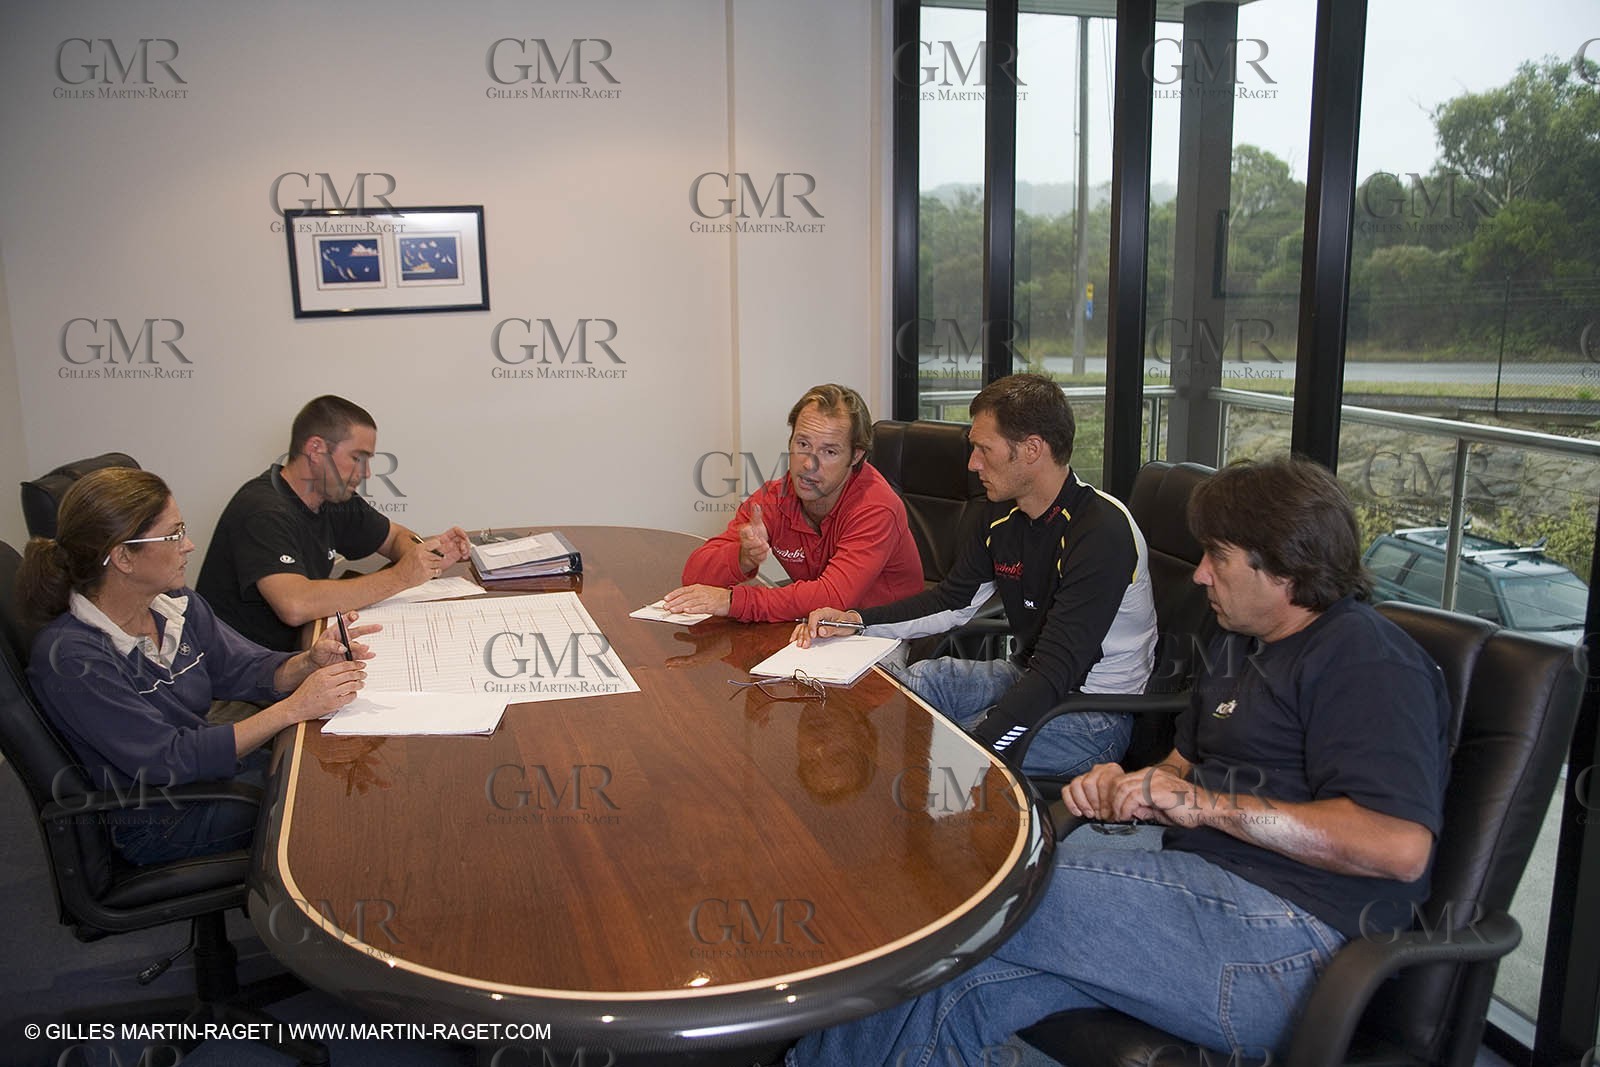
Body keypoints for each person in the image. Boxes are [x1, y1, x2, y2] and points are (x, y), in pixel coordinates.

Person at [786, 457, 1452, 1064]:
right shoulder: (1239, 642)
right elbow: (1183, 768)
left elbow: (1398, 848)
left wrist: (1205, 806)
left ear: (1284, 566)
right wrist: (1136, 784)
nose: (1197, 575)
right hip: (1193, 884)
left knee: (974, 896)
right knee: (963, 985)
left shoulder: (1367, 658)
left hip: (1289, 948)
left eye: (1217, 558)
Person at [797, 373, 1156, 778]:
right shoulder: (1002, 514)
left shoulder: (1101, 532)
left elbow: (1055, 675)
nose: (972, 463)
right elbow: (951, 601)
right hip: (1025, 675)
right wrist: (859, 622)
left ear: (1032, 449)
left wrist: (975, 750)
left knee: (944, 754)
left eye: (984, 449)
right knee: (901, 688)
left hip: (1091, 715)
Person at [18, 467, 373, 865]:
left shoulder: (175, 607)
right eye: (173, 534)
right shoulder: (73, 657)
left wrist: (306, 663)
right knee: (329, 797)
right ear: (123, 557)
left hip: (207, 779)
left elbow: (243, 669)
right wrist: (292, 709)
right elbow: (166, 759)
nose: (189, 544)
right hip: (159, 819)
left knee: (338, 767)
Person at [197, 395, 472, 651]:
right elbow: (295, 604)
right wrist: (402, 576)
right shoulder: (262, 511)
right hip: (244, 678)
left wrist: (427, 555)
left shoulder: (332, 497)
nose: (365, 473)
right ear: (316, 449)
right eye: (357, 458)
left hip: (300, 650)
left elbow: (394, 537)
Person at [663, 383, 924, 623]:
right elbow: (694, 578)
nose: (809, 464)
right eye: (803, 444)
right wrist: (742, 557)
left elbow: (834, 596)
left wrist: (732, 601)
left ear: (856, 456)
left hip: (883, 631)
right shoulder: (775, 498)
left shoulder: (876, 507)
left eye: (829, 451)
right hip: (818, 624)